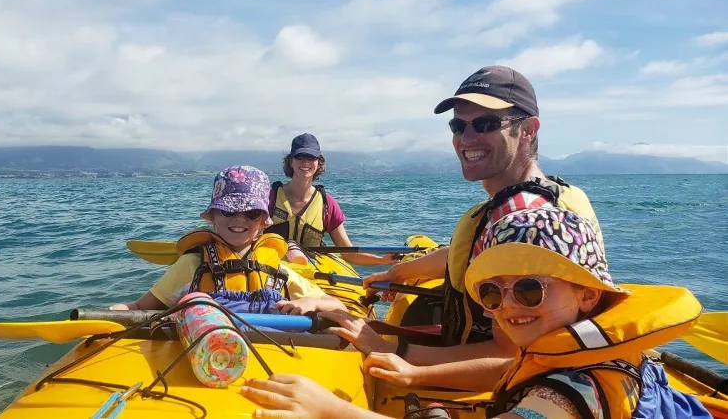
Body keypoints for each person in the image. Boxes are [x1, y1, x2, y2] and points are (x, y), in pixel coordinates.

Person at [240, 207, 710, 419]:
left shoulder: (571, 393)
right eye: (490, 293)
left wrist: (332, 411)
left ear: (588, 295)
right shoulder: (588, 352)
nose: (507, 306)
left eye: (529, 290)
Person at [321, 66, 605, 391]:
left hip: (509, 392)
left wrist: (389, 349)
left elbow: (513, 358)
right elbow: (467, 256)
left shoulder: (525, 221)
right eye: (458, 125)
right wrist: (398, 273)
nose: (466, 139)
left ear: (528, 130)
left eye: (485, 124)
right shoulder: (540, 198)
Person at [110, 165, 347, 315]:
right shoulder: (192, 266)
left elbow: (336, 305)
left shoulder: (278, 269)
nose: (239, 220)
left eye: (251, 213)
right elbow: (141, 308)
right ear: (212, 216)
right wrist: (109, 312)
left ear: (264, 221)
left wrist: (310, 303)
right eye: (228, 210)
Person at [269, 133, 394, 266]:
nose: (305, 162)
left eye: (311, 157)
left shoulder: (327, 204)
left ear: (319, 162)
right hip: (273, 270)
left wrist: (383, 260)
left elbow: (348, 253)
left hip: (309, 274)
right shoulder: (271, 197)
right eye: (300, 156)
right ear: (290, 162)